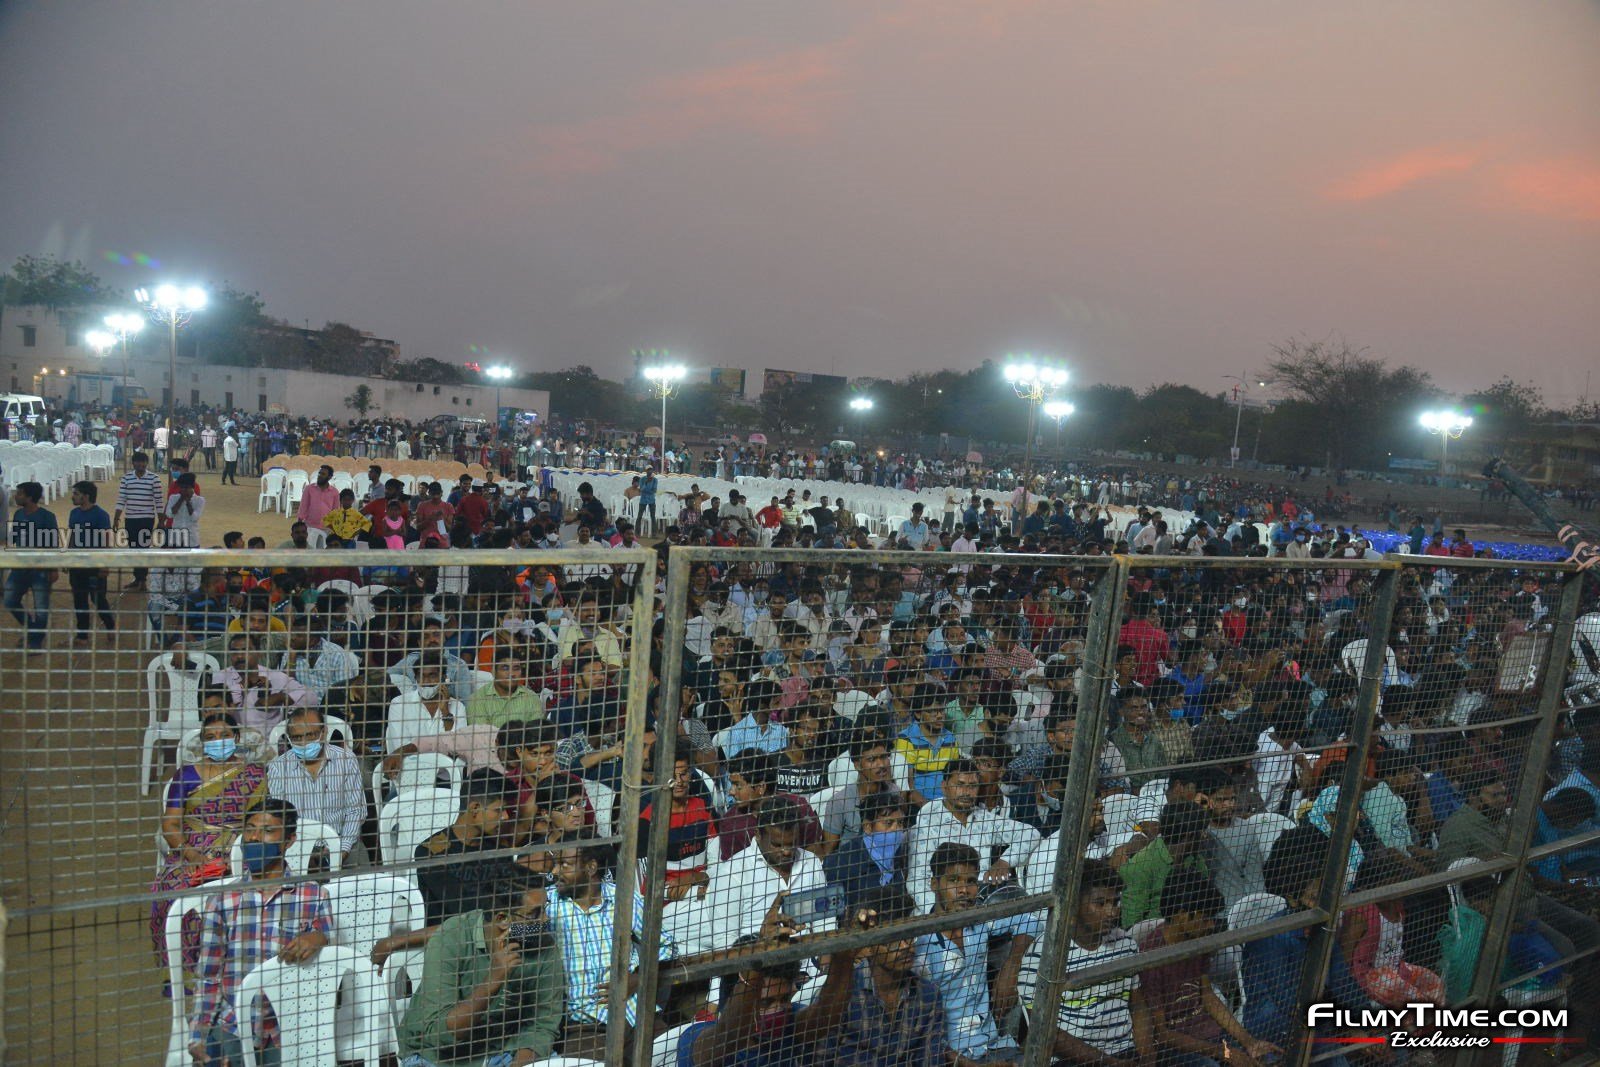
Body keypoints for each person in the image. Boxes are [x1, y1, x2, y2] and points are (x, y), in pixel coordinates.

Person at [188, 798, 332, 1067]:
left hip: (288, 1025)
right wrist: (199, 1035)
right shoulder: (222, 900)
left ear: (289, 841)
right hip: (234, 1023)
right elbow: (208, 975)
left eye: (267, 831)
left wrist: (319, 937)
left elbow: (329, 943)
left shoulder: (313, 895)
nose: (254, 837)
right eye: (250, 829)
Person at [397, 867, 565, 1066]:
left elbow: (543, 1024)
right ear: (503, 919)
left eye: (545, 908)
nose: (545, 919)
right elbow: (440, 1035)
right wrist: (493, 980)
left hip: (501, 1051)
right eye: (535, 914)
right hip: (436, 1057)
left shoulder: (543, 944)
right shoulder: (451, 937)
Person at [150, 710, 270, 964]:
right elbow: (170, 823)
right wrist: (191, 854)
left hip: (240, 845)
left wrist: (238, 853)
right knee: (175, 891)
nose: (218, 741)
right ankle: (187, 968)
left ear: (236, 737)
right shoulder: (186, 775)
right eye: (211, 737)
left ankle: (238, 964)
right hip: (192, 846)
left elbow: (260, 821)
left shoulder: (254, 774)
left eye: (224, 735)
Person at [914, 842, 1043, 1064]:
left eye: (971, 881)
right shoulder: (922, 947)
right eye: (953, 880)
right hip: (952, 1057)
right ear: (934, 884)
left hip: (994, 1045)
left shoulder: (979, 923)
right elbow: (920, 1032)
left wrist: (1012, 967)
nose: (964, 890)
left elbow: (1030, 920)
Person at [1138, 869, 1281, 1067]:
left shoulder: (1198, 941)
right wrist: (1225, 1053)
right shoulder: (1150, 955)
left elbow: (1207, 995)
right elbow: (1162, 1033)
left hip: (1211, 1035)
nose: (1211, 925)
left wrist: (1249, 1042)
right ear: (1182, 916)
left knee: (1265, 1057)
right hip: (1176, 1046)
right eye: (1205, 919)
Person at [547, 841, 675, 1057]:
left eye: (564, 864)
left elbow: (665, 945)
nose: (555, 871)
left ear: (591, 868)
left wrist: (639, 978)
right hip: (586, 1026)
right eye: (555, 864)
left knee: (674, 1054)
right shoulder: (549, 905)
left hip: (636, 1014)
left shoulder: (623, 898)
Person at [1041, 859, 1153, 1065]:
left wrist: (1147, 1060)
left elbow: (1138, 1007)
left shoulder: (1126, 944)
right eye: (1101, 904)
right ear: (1074, 905)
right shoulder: (1045, 954)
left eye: (1115, 903)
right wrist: (1110, 1064)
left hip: (1124, 1053)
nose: (1112, 912)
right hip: (1071, 1060)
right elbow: (1047, 1032)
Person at [830, 884, 950, 1066]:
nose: (906, 946)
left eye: (908, 935)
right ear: (868, 946)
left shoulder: (928, 995)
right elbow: (820, 1058)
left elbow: (929, 1060)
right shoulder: (842, 996)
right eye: (893, 939)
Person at [906, 758, 1038, 912]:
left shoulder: (984, 818)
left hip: (980, 905)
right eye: (960, 785)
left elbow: (1031, 833)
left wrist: (1005, 861)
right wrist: (937, 911)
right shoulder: (927, 825)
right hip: (942, 908)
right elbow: (916, 881)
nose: (966, 792)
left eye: (973, 786)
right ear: (944, 787)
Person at [266, 707, 366, 866]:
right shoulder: (278, 768)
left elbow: (356, 810)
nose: (304, 743)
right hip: (297, 845)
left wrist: (342, 848)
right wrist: (301, 850)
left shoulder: (346, 760)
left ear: (324, 732)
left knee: (364, 877)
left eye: (310, 735)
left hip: (343, 839)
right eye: (297, 737)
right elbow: (280, 817)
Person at [414, 769, 515, 926]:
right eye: (499, 810)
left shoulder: (498, 845)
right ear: (475, 808)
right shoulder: (431, 852)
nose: (505, 816)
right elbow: (466, 911)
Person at [824, 791, 909, 907]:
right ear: (867, 827)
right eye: (888, 823)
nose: (896, 829)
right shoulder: (841, 863)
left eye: (900, 822)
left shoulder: (899, 852)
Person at [5, 480, 57, 651]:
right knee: (10, 600)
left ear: (29, 497)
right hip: (21, 565)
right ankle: (34, 632)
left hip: (40, 567)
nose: (16, 496)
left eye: (19, 493)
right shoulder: (19, 514)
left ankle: (35, 640)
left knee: (41, 607)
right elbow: (13, 537)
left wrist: (53, 568)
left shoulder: (47, 517)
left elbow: (53, 545)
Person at [66, 479, 115, 646]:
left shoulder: (101, 515)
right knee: (79, 600)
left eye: (76, 494)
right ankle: (82, 635)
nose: (73, 496)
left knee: (98, 599)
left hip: (95, 565)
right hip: (78, 564)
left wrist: (104, 565)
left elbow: (106, 541)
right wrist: (68, 557)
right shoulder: (74, 513)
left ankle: (110, 626)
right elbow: (72, 536)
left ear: (86, 496)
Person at [114, 450, 164, 587]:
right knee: (133, 548)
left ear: (147, 463)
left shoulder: (154, 479)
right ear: (133, 463)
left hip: (147, 519)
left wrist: (161, 521)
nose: (141, 464)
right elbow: (121, 499)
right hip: (130, 518)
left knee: (143, 547)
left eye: (143, 462)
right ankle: (138, 578)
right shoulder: (126, 478)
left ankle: (142, 579)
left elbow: (159, 501)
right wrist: (116, 518)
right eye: (138, 461)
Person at [163, 472, 206, 548]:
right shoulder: (173, 497)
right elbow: (169, 514)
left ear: (192, 486)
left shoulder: (200, 500)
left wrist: (188, 502)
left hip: (192, 539)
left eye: (186, 487)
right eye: (181, 487)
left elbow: (194, 518)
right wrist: (181, 499)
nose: (183, 490)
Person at [296, 464, 339, 532]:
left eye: (323, 474)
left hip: (327, 528)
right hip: (310, 526)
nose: (320, 475)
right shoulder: (309, 489)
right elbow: (303, 507)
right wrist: (299, 524)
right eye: (319, 473)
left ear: (329, 477)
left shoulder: (334, 492)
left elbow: (335, 511)